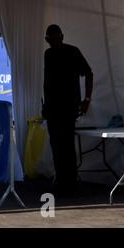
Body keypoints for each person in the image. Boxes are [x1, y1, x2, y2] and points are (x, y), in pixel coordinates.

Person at [42, 24, 93, 195]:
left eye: (55, 38)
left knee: (65, 145)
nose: (53, 41)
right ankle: (63, 182)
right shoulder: (48, 54)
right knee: (58, 145)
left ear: (61, 37)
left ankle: (69, 183)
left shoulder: (72, 52)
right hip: (54, 107)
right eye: (51, 39)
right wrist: (45, 105)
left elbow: (88, 73)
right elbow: (47, 83)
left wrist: (87, 98)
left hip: (67, 106)